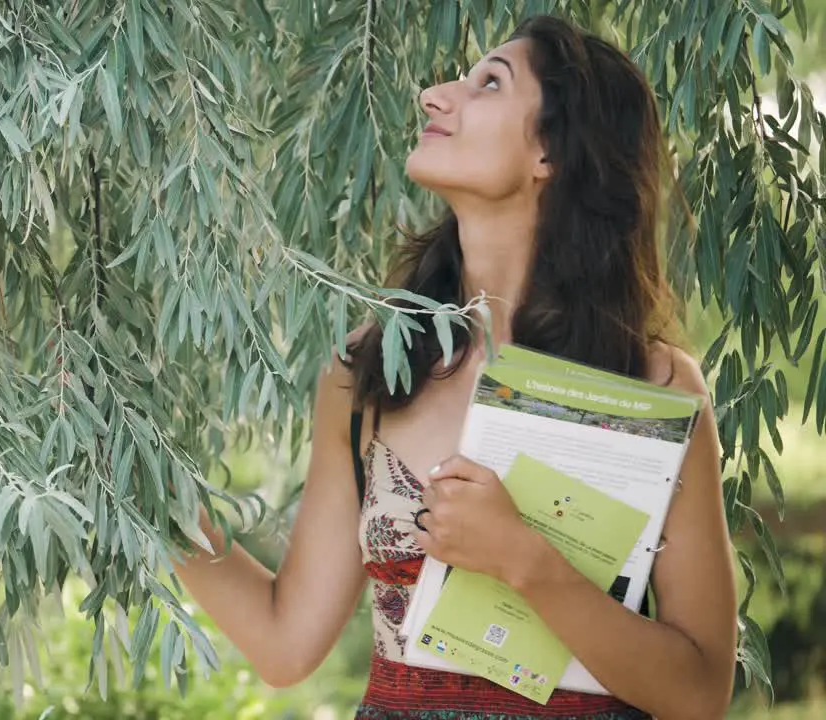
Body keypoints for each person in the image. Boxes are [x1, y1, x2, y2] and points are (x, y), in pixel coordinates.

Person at [172, 15, 737, 720]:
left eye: (488, 83)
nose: (435, 96)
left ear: (549, 154)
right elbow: (287, 645)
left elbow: (701, 693)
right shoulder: (368, 372)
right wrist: (148, 502)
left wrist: (525, 561)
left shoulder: (654, 387)